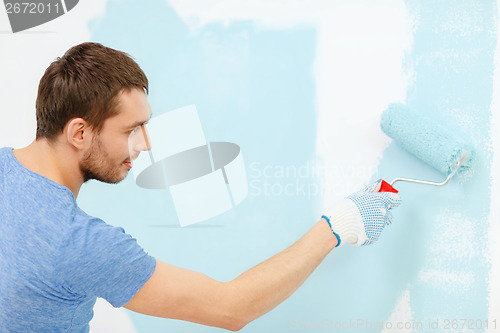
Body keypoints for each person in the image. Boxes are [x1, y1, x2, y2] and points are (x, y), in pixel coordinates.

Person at [0, 42, 401, 332]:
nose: (145, 143)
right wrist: (337, 226)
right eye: (132, 130)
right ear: (79, 132)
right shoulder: (81, 245)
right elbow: (232, 309)